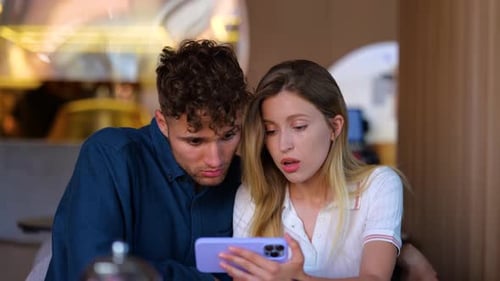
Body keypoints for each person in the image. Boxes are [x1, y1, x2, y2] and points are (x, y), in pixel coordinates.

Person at [44, 39, 252, 281]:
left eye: (228, 135)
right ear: (162, 123)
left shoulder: (246, 178)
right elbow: (101, 273)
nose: (215, 160)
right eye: (195, 141)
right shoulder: (111, 156)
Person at [220, 59, 406, 280]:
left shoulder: (378, 185)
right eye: (270, 131)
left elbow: (375, 278)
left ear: (334, 127)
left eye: (299, 127)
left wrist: (300, 278)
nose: (283, 145)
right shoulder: (253, 197)